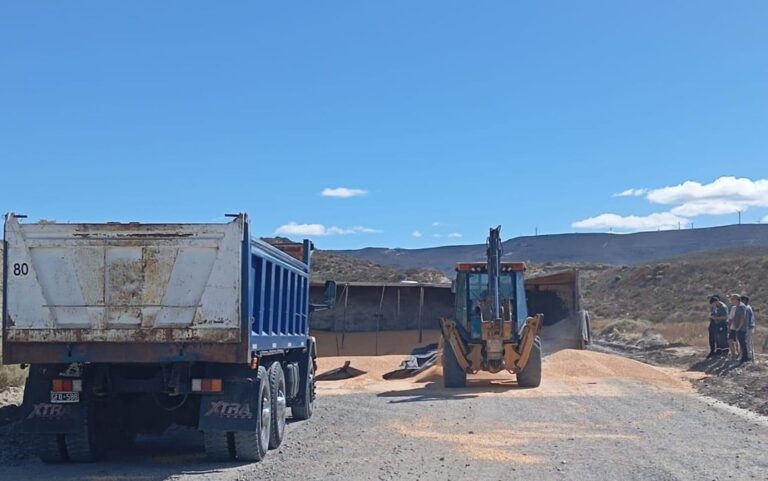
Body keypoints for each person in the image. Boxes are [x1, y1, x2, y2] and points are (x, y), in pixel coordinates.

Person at [728, 294, 749, 363]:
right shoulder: (737, 307)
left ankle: (745, 357)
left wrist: (739, 327)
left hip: (741, 328)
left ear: (737, 300)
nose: (732, 301)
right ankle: (742, 357)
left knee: (742, 343)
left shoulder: (741, 307)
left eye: (733, 300)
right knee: (740, 342)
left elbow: (742, 318)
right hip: (737, 328)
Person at [742, 295, 755, 362]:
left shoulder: (746, 308)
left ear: (744, 300)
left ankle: (748, 357)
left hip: (748, 327)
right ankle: (750, 357)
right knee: (749, 343)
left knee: (747, 342)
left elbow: (746, 320)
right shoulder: (748, 307)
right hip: (750, 327)